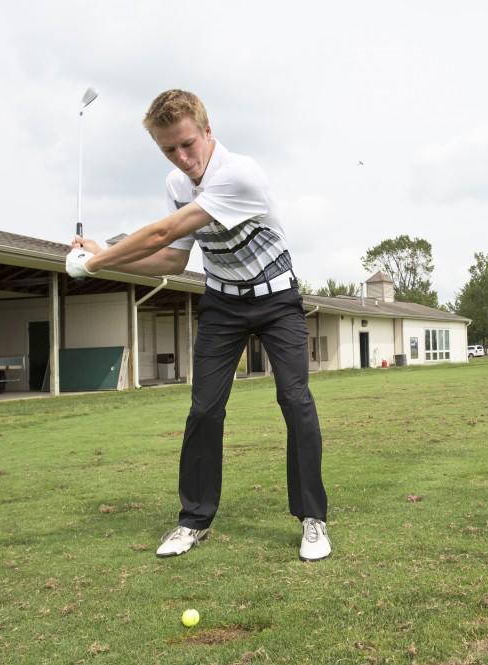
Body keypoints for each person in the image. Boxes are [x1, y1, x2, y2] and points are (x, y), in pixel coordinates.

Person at [66, 89, 331, 562]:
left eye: (188, 143)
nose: (182, 157)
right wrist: (102, 263)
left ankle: (313, 517)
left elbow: (163, 232)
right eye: (169, 149)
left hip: (277, 300)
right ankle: (193, 520)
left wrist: (100, 257)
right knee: (204, 411)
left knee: (295, 400)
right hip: (223, 306)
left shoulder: (239, 175)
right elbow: (170, 256)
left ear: (208, 132)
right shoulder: (177, 184)